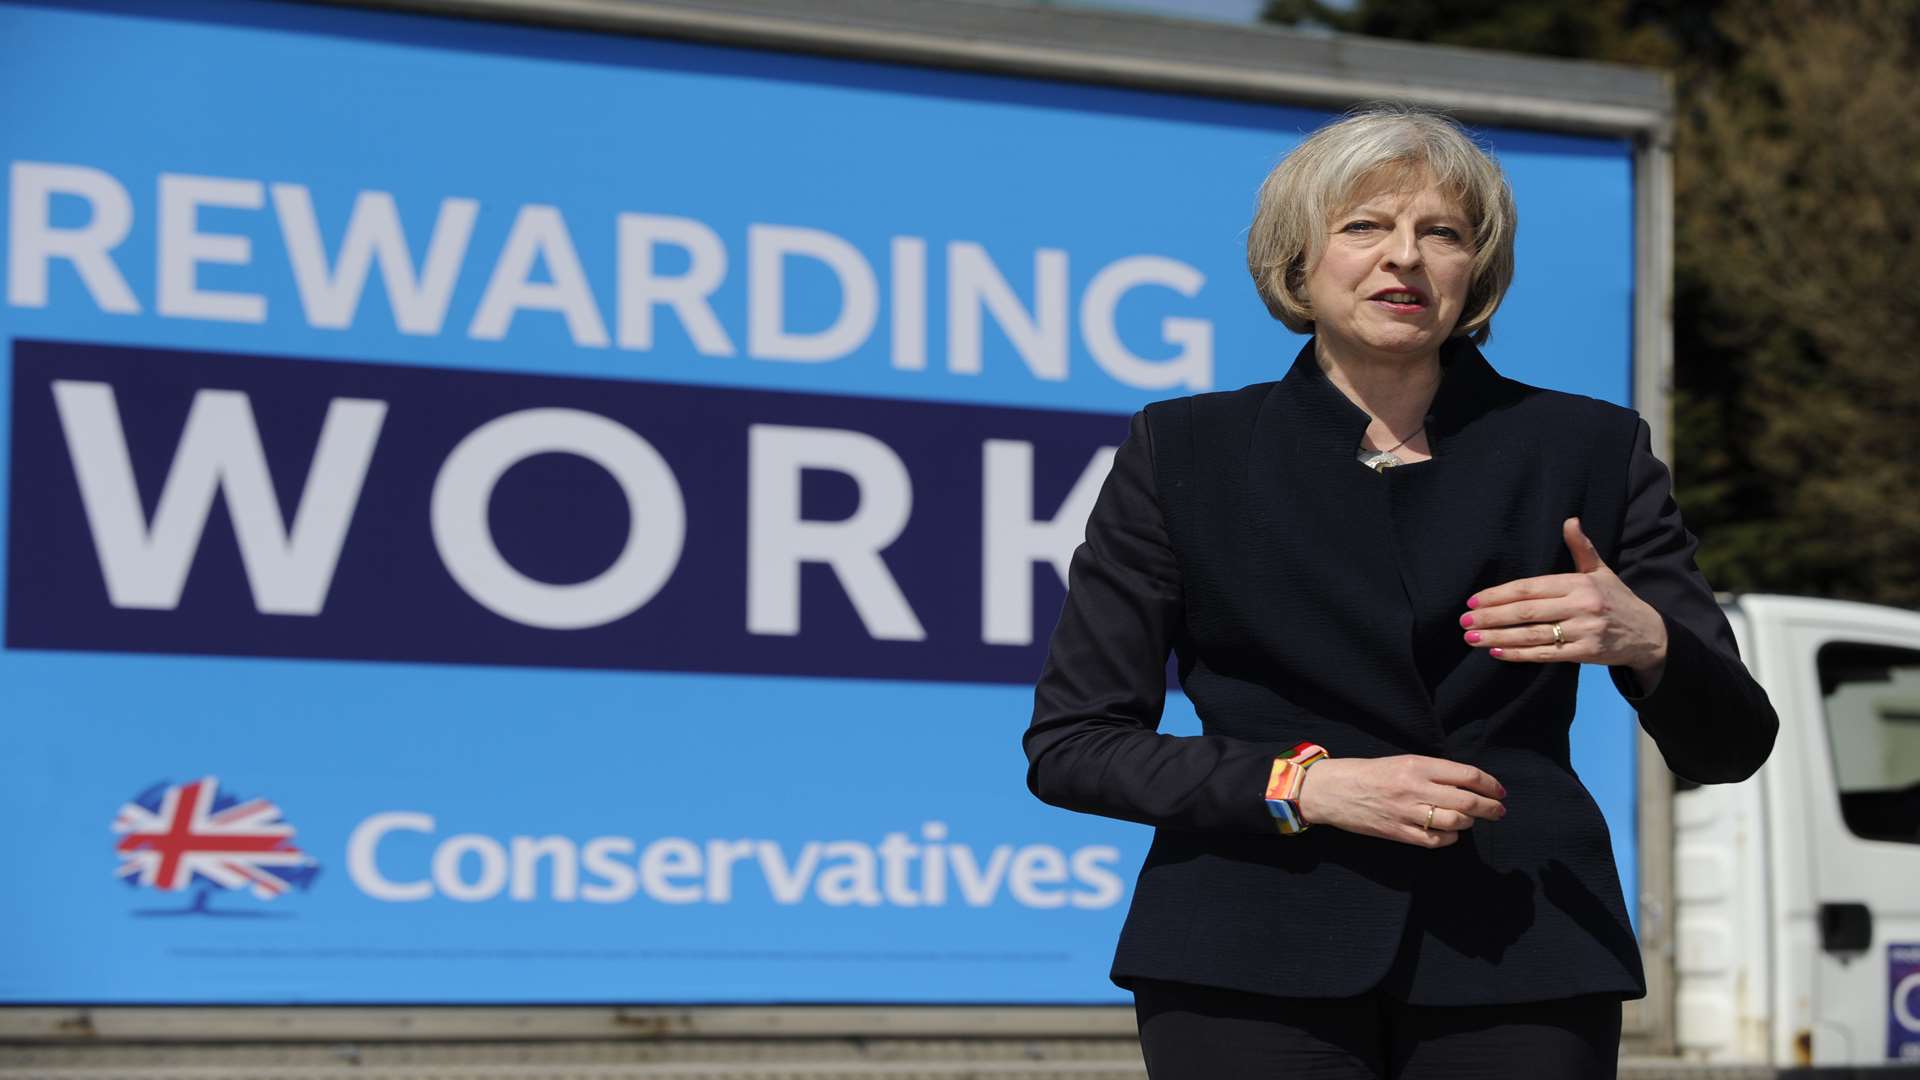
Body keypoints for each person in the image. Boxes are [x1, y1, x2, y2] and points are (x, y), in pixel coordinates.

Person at [1021, 105, 1779, 1079]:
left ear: (1479, 271)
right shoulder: (1184, 453)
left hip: (1523, 956)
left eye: (1443, 233)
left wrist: (1652, 642)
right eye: (1365, 226)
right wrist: (1305, 786)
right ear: (1299, 260)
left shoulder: (1589, 452)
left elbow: (1733, 745)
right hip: (1251, 955)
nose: (1405, 260)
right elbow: (1075, 747)